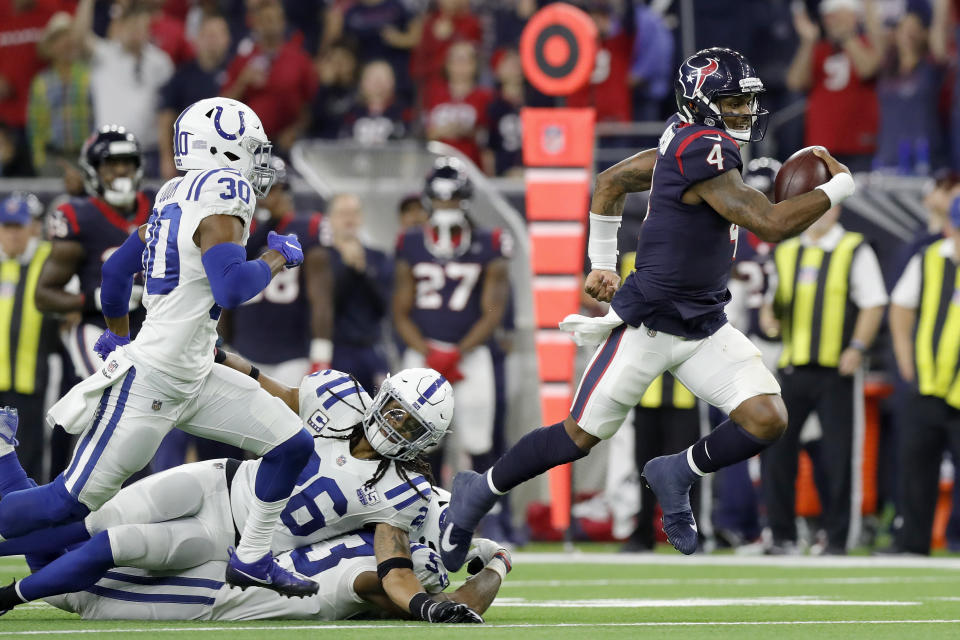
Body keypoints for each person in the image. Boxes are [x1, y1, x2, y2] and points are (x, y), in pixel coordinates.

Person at [439, 47, 858, 571]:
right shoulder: (702, 148)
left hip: (703, 323)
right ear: (701, 102)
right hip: (651, 324)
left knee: (766, 418)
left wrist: (602, 261)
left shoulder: (687, 142)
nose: (743, 112)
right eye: (731, 101)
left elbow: (611, 182)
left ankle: (676, 473)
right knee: (578, 437)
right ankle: (479, 491)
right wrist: (838, 187)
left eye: (744, 101)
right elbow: (769, 223)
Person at [0, 97, 317, 597]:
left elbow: (115, 271)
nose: (259, 161)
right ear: (223, 150)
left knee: (292, 444)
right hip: (155, 380)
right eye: (251, 149)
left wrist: (119, 332)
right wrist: (279, 256)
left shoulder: (173, 193)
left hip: (194, 371)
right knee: (66, 502)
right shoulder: (224, 191)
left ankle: (253, 557)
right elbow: (233, 287)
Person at [0, 357, 467, 622]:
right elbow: (272, 390)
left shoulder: (404, 491)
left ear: (427, 439)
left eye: (411, 423)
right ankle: (5, 461)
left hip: (230, 541)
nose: (395, 423)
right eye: (396, 409)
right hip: (214, 481)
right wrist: (218, 355)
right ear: (382, 395)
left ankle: (5, 470)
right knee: (81, 526)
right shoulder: (339, 394)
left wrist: (426, 606)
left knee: (110, 545)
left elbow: (395, 567)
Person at [760, 199, 887, 555]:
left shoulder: (853, 248)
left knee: (839, 454)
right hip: (792, 366)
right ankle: (781, 535)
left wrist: (857, 347)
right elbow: (774, 301)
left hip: (837, 370)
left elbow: (874, 302)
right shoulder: (787, 251)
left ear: (835, 210)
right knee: (778, 452)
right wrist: (770, 319)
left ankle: (837, 537)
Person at [393, 157, 510, 479]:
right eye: (443, 197)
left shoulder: (490, 242)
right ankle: (420, 507)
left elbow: (493, 311)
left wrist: (456, 353)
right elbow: (400, 310)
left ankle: (487, 513)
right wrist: (432, 353)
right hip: (423, 353)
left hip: (470, 356)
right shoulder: (411, 241)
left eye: (454, 197)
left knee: (479, 438)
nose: (448, 204)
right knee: (418, 438)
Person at [35, 125, 151, 379]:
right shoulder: (79, 217)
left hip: (155, 330)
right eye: (111, 165)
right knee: (120, 398)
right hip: (100, 330)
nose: (120, 171)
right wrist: (95, 299)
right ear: (93, 171)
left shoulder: (161, 206)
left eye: (127, 164)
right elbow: (43, 295)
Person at [885, 197, 960, 555]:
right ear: (950, 228)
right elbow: (901, 306)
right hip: (928, 384)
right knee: (915, 465)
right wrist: (906, 361)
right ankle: (911, 542)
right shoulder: (930, 259)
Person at [220, 157, 331, 386]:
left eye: (268, 189)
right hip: (244, 346)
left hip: (291, 351)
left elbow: (320, 297)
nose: (261, 198)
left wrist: (321, 355)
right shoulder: (239, 231)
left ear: (284, 189)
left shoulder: (306, 227)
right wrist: (222, 342)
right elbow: (224, 292)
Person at [74, 0, 175, 176]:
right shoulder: (105, 55)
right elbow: (79, 38)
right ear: (120, 28)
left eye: (140, 26)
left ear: (148, 29)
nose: (135, 32)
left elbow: (168, 111)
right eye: (131, 26)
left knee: (148, 202)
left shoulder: (161, 62)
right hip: (108, 150)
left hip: (148, 151)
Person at [0, 194, 58, 482]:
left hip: (33, 381)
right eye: (6, 226)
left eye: (17, 227)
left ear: (31, 229)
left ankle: (26, 520)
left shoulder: (47, 258)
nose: (11, 234)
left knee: (29, 458)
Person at [786, 0, 882, 172]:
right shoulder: (820, 50)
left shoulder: (866, 44)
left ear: (854, 17)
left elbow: (867, 69)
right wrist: (808, 42)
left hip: (858, 146)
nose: (831, 22)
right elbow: (795, 82)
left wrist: (847, 37)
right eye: (829, 17)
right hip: (821, 147)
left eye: (837, 16)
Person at [222, 0, 317, 152]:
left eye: (274, 19)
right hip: (248, 144)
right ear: (256, 24)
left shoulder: (300, 60)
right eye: (265, 20)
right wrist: (242, 82)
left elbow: (310, 107)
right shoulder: (243, 60)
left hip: (285, 143)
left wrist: (295, 131)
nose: (270, 25)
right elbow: (223, 105)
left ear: (283, 23)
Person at [326, 193, 393, 392]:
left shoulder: (377, 257)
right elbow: (327, 306)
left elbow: (384, 306)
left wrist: (363, 271)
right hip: (335, 349)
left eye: (354, 213)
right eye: (343, 213)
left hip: (370, 348)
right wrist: (347, 270)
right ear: (330, 218)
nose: (349, 219)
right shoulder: (321, 257)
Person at [157, 13, 233, 179]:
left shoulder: (237, 72)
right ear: (197, 39)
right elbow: (166, 118)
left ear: (228, 39)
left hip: (230, 157)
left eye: (218, 34)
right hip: (192, 158)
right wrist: (167, 158)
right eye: (208, 34)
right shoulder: (182, 76)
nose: (213, 40)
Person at [26, 11, 94, 178]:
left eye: (68, 37)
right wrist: (40, 159)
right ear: (50, 47)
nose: (65, 43)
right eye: (58, 39)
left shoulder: (88, 75)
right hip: (53, 159)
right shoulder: (42, 82)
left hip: (85, 157)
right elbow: (35, 125)